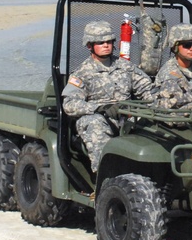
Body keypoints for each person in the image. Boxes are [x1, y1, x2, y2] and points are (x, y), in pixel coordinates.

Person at [61, 21, 156, 174]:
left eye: (109, 41)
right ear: (90, 45)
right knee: (96, 125)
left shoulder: (125, 67)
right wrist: (99, 108)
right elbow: (70, 104)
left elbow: (146, 89)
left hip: (126, 118)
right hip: (98, 119)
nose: (106, 45)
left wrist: (158, 102)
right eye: (100, 42)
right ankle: (105, 177)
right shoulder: (81, 73)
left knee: (155, 123)